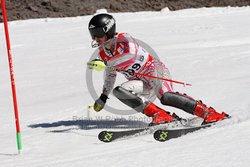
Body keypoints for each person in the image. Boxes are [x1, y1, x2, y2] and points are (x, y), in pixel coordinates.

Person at [87, 13, 229, 125]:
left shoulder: (124, 38)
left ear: (108, 30)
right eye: (93, 35)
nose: (96, 38)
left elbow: (130, 55)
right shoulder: (103, 52)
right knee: (120, 91)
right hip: (139, 81)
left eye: (98, 34)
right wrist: (104, 96)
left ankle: (208, 113)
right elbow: (110, 75)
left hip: (154, 71)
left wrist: (106, 63)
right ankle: (161, 116)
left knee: (166, 97)